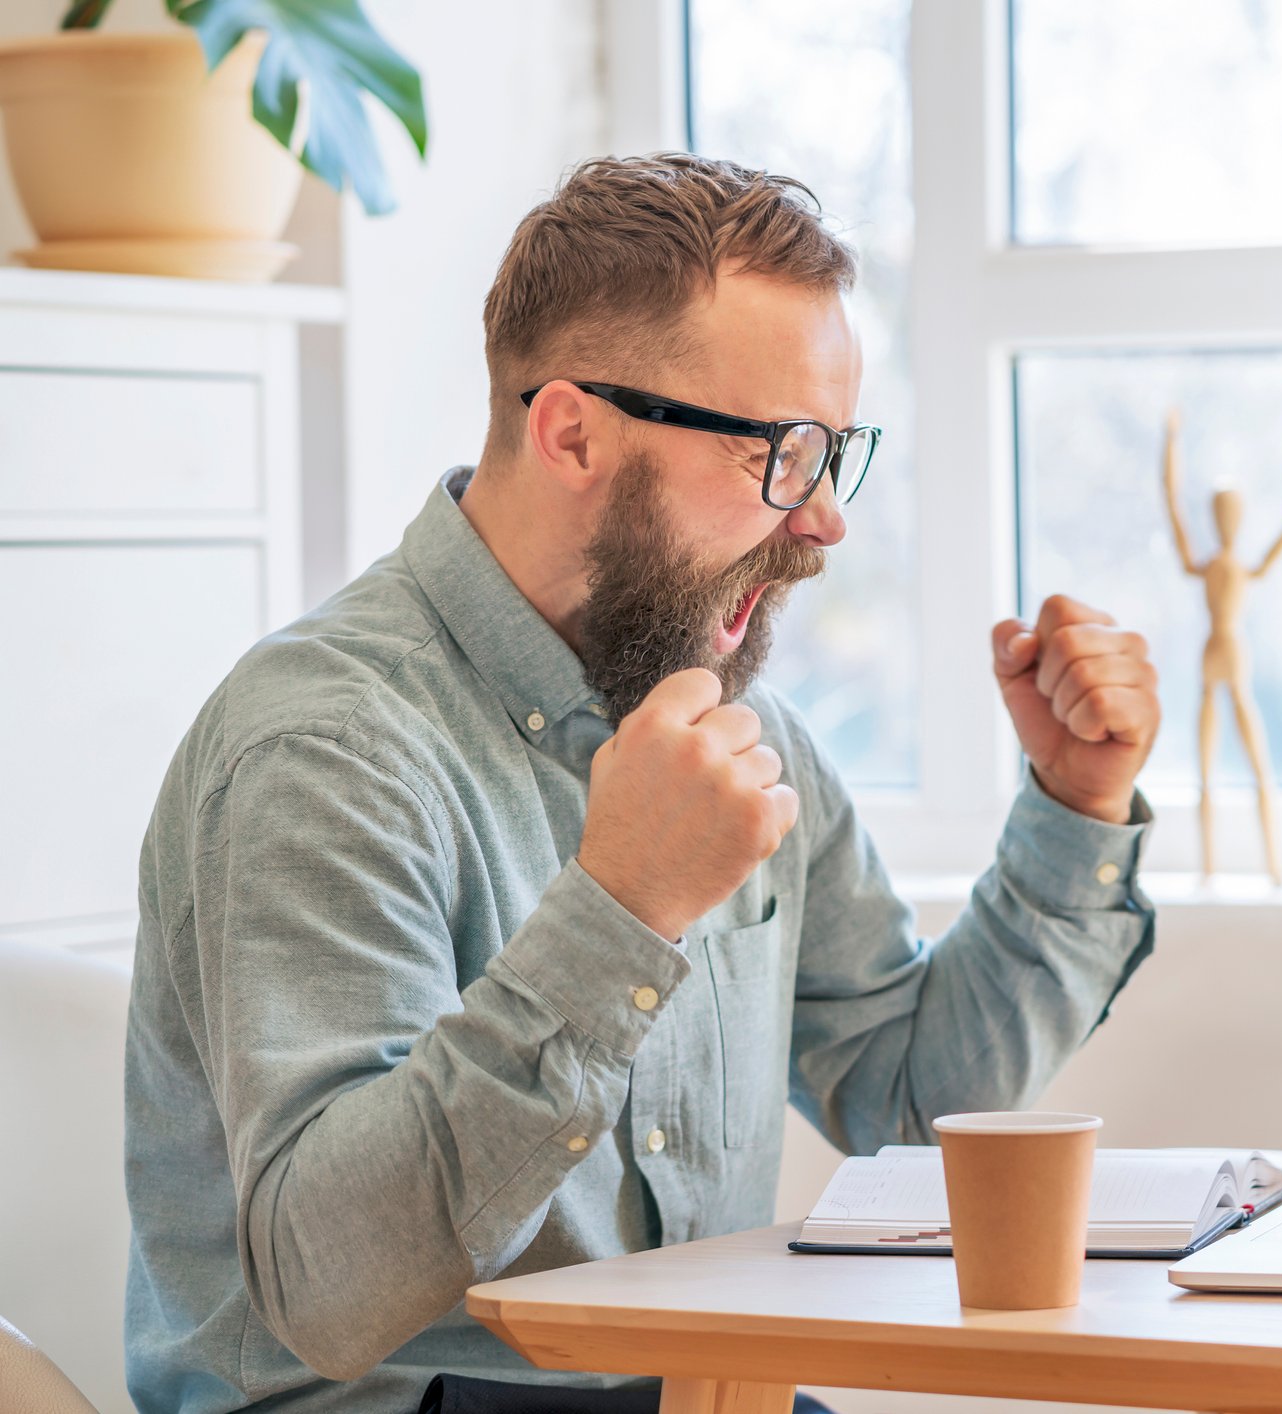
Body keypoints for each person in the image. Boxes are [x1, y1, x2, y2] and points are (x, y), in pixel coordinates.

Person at [123, 153, 1162, 1414]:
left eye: (837, 452)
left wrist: (1075, 805)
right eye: (779, 453)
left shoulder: (736, 722)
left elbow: (908, 1094)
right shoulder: (324, 746)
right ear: (571, 432)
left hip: (701, 1392)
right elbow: (328, 1286)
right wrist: (619, 909)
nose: (824, 517)